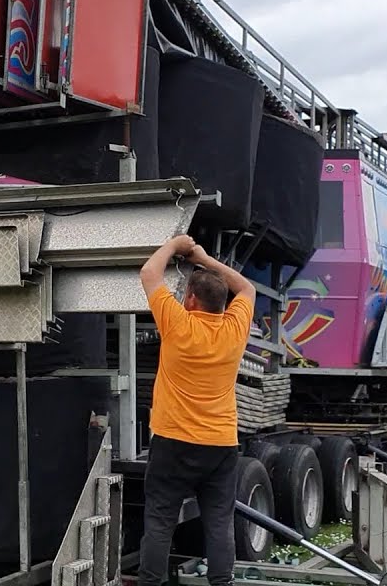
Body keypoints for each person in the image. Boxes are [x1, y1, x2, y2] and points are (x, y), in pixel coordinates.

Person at [137, 234, 256, 586]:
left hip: (173, 442)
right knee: (219, 522)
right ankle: (221, 582)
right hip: (220, 444)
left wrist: (175, 245)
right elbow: (247, 289)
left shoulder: (178, 324)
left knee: (160, 520)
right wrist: (204, 258)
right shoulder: (235, 328)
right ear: (222, 304)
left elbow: (148, 273)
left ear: (190, 299)